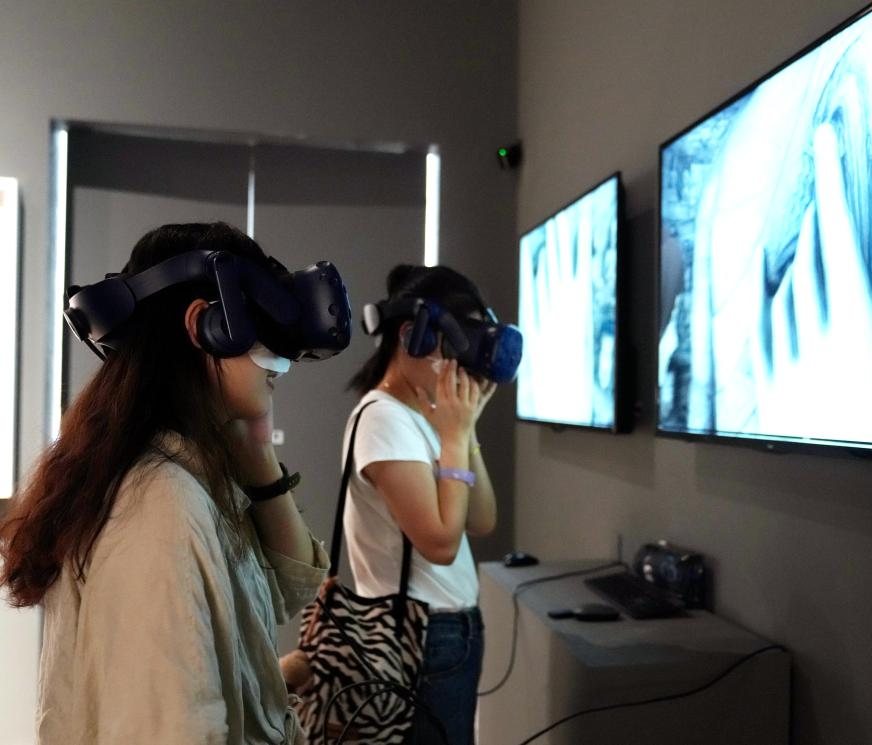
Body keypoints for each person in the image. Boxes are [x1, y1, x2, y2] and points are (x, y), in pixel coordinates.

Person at [0, 223, 330, 744]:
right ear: (206, 324)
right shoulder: (158, 504)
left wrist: (259, 452)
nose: (283, 359)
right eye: (265, 325)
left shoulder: (189, 471)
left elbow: (284, 593)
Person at [345, 264, 499, 745]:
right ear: (412, 336)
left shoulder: (424, 415)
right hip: (420, 635)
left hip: (448, 630)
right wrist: (453, 438)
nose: (461, 364)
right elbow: (440, 543)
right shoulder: (382, 420)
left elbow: (482, 520)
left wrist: (465, 434)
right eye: (455, 347)